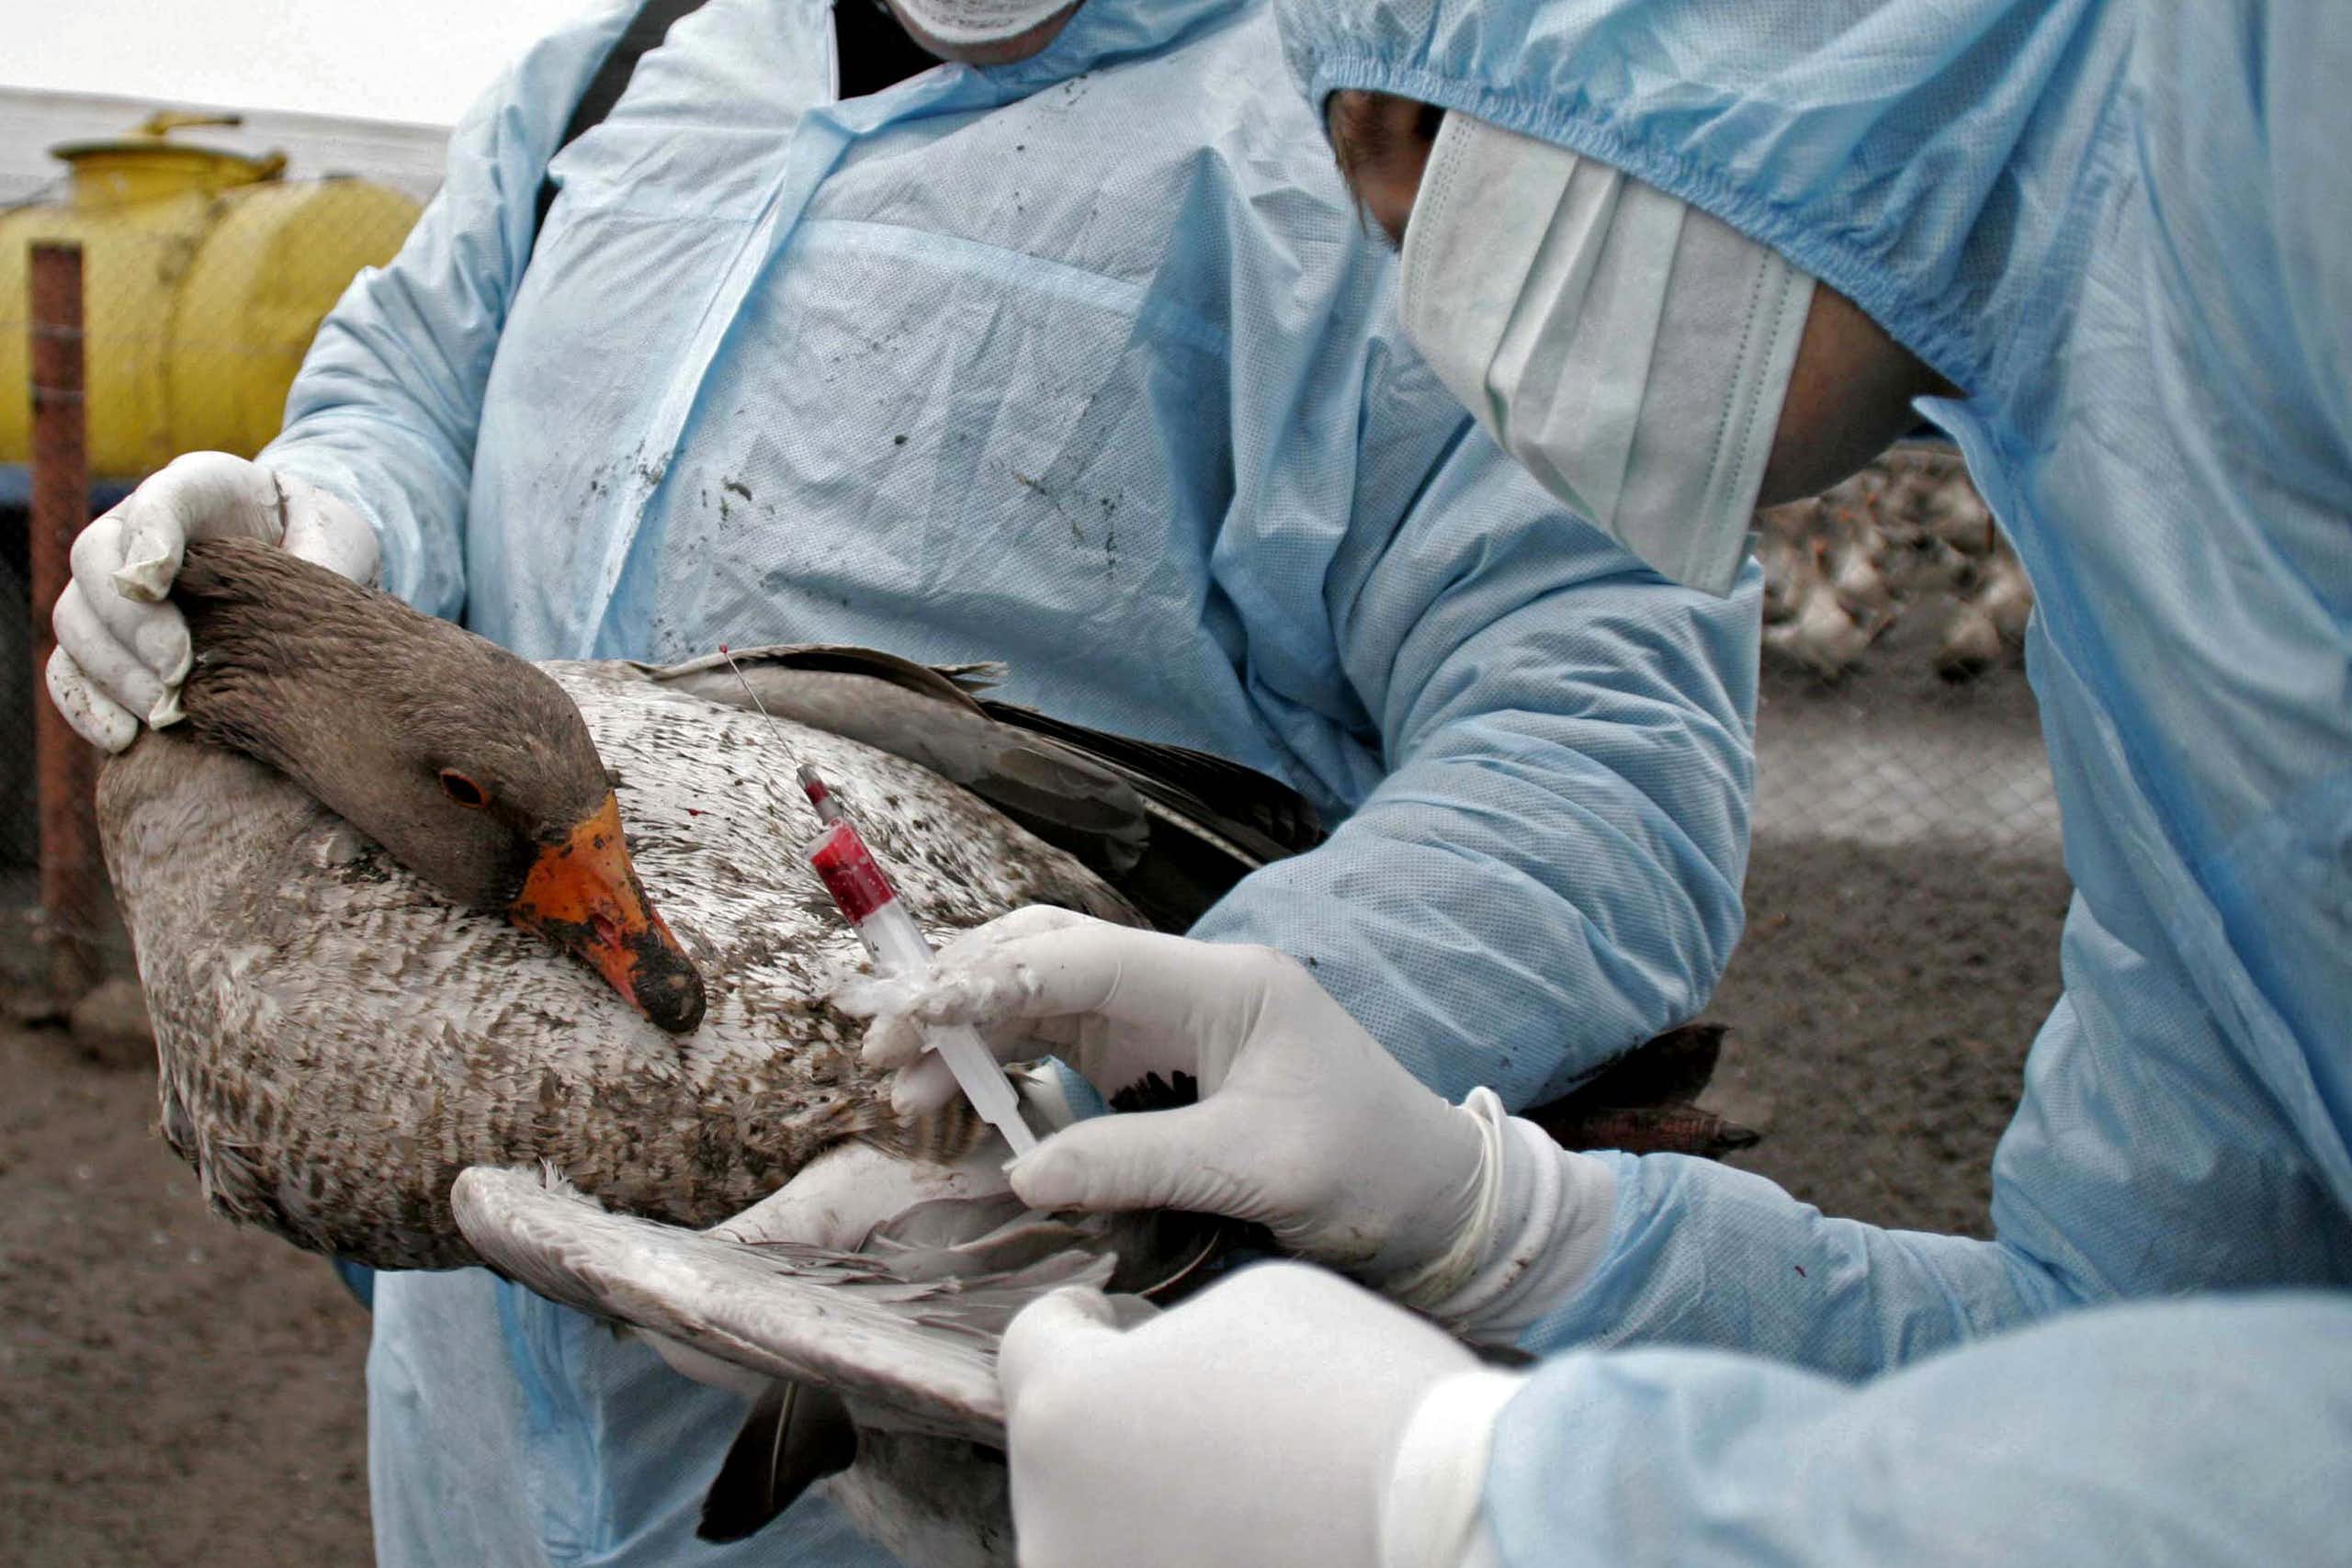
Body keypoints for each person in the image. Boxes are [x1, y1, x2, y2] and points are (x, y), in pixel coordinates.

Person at [44, 0, 1765, 1560]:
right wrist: (328, 514)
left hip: (1020, 1390)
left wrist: (1144, 1115)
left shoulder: (1393, 134)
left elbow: (1599, 746)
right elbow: (415, 386)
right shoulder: (612, 78)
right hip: (485, 1440)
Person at [842, 0, 2352, 1560]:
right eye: (1356, 141)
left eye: (1436, 124)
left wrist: (1532, 1512)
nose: (1398, 227)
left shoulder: (2290, 145)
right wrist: (1497, 1226)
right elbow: (2115, 1361)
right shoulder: (2148, 552)